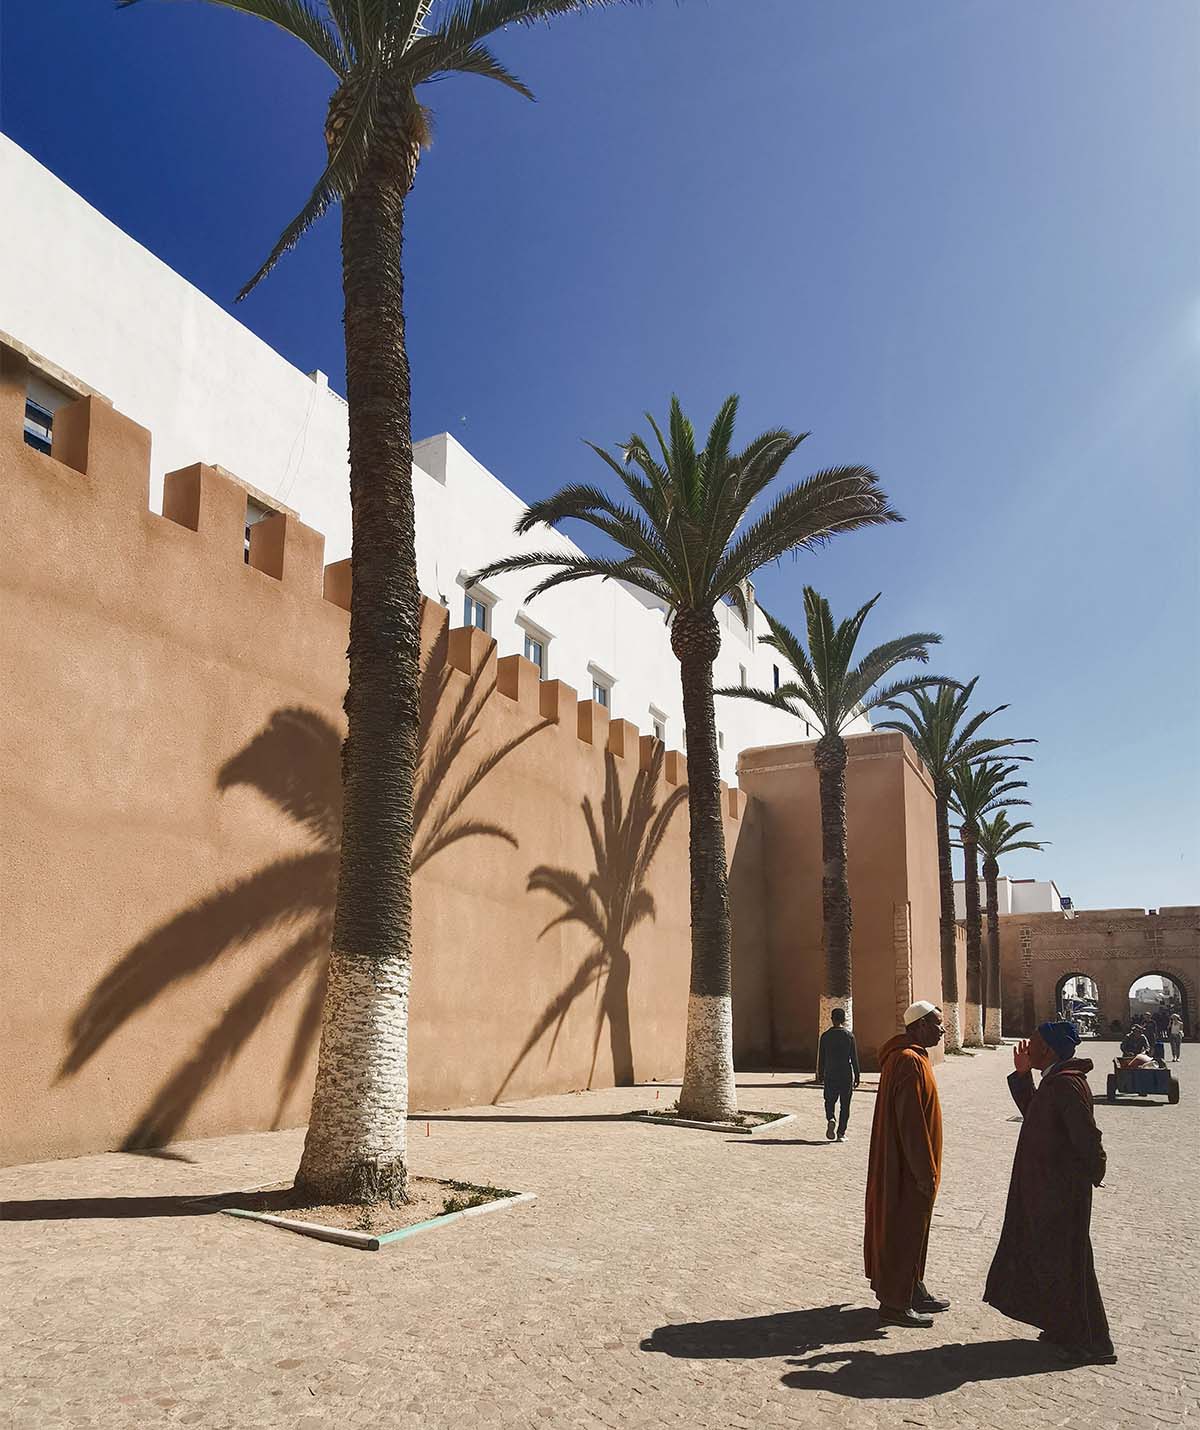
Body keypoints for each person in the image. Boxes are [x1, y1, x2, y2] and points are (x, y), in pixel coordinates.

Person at [984, 1022, 1115, 1364]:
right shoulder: (1054, 1083)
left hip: (1062, 1194)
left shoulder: (1068, 1085)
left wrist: (1091, 1173)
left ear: (1052, 1050)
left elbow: (1087, 1138)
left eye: (1037, 1043)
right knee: (1052, 1261)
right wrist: (1023, 1074)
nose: (1030, 1047)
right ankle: (1064, 1328)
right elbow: (1035, 1116)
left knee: (1071, 1263)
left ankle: (1092, 1342)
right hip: (1047, 1192)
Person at [864, 1000, 949, 1327]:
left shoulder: (911, 1058)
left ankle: (913, 1289)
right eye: (937, 1024)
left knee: (916, 1230)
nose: (942, 1030)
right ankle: (894, 1304)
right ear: (918, 1027)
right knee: (904, 1229)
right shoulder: (908, 1061)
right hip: (908, 1170)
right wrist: (923, 1171)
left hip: (912, 1167)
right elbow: (911, 1123)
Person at [816, 1007, 860, 1141]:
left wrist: (820, 1074)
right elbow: (854, 1057)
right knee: (845, 1104)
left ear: (832, 1019)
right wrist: (857, 1075)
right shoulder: (849, 1036)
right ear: (844, 1019)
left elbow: (821, 1058)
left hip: (830, 1073)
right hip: (845, 1073)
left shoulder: (825, 1036)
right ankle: (841, 1133)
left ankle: (831, 1118)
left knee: (829, 1100)